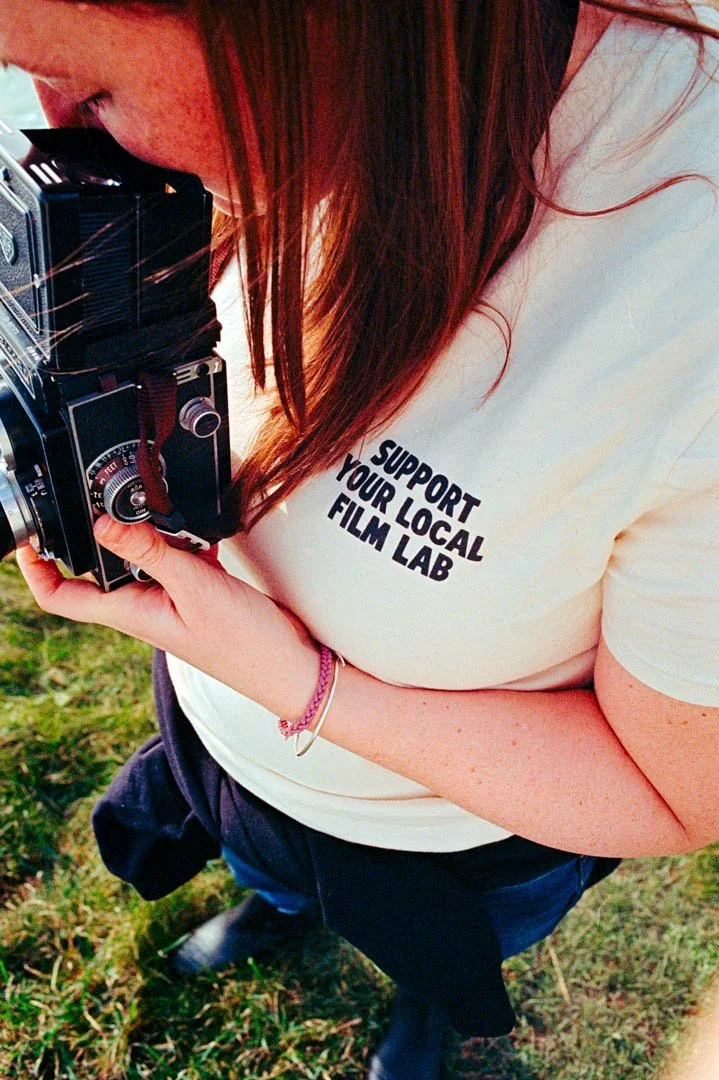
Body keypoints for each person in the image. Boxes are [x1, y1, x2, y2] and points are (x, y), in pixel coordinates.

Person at [2, 1, 718, 1076]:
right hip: (220, 750)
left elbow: (668, 794)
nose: (56, 137)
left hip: (439, 850)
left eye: (88, 87)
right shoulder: (252, 142)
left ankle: (420, 1001)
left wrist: (296, 682)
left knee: (420, 953)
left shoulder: (686, 307)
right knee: (274, 876)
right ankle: (274, 903)